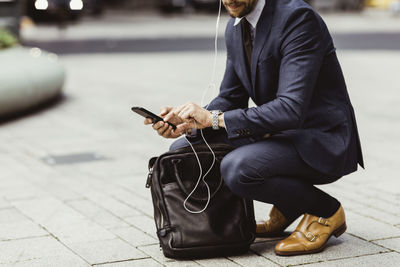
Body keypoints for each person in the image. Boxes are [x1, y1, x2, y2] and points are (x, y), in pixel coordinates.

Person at [144, 0, 364, 256]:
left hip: (319, 138)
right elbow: (231, 97)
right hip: (279, 133)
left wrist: (213, 119)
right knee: (184, 148)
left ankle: (326, 211)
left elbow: (290, 109)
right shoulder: (235, 25)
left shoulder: (298, 19)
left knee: (238, 168)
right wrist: (190, 122)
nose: (229, 0)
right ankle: (288, 204)